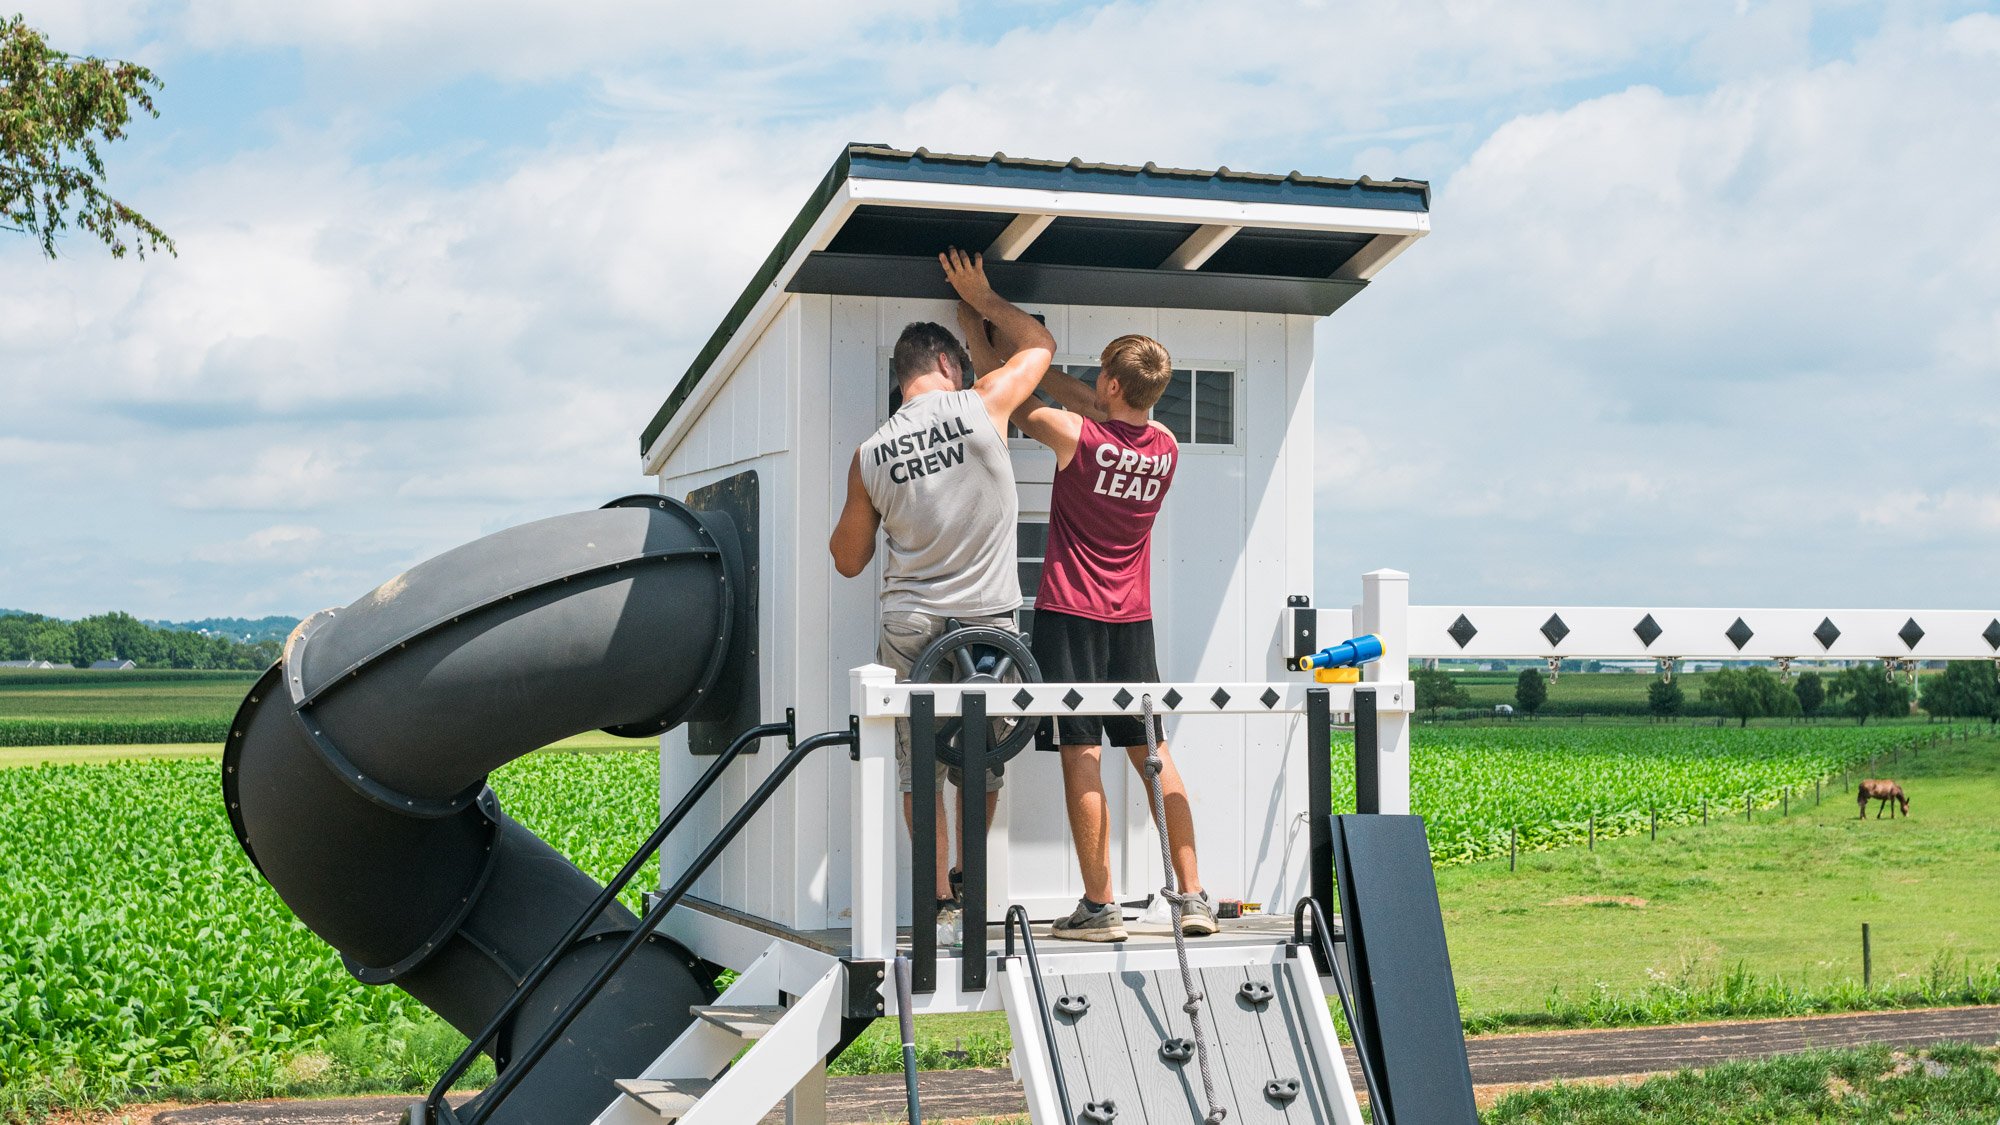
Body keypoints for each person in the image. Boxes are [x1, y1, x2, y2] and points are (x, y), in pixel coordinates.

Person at [828, 248, 1055, 924]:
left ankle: (935, 898)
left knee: (915, 762)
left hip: (911, 626)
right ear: (951, 366)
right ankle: (969, 874)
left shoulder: (870, 453)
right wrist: (984, 302)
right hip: (987, 625)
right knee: (979, 758)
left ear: (900, 380)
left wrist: (874, 502)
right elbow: (1040, 344)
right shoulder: (985, 403)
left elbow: (846, 559)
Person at [998, 335, 1216, 941]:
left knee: (1081, 753)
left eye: (1100, 374)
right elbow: (1089, 405)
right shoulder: (1167, 447)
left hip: (1070, 616)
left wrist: (983, 333)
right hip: (1132, 623)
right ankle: (1193, 895)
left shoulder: (1076, 438)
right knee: (1154, 756)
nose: (1093, 380)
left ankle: (1100, 906)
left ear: (1113, 384)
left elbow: (1015, 402)